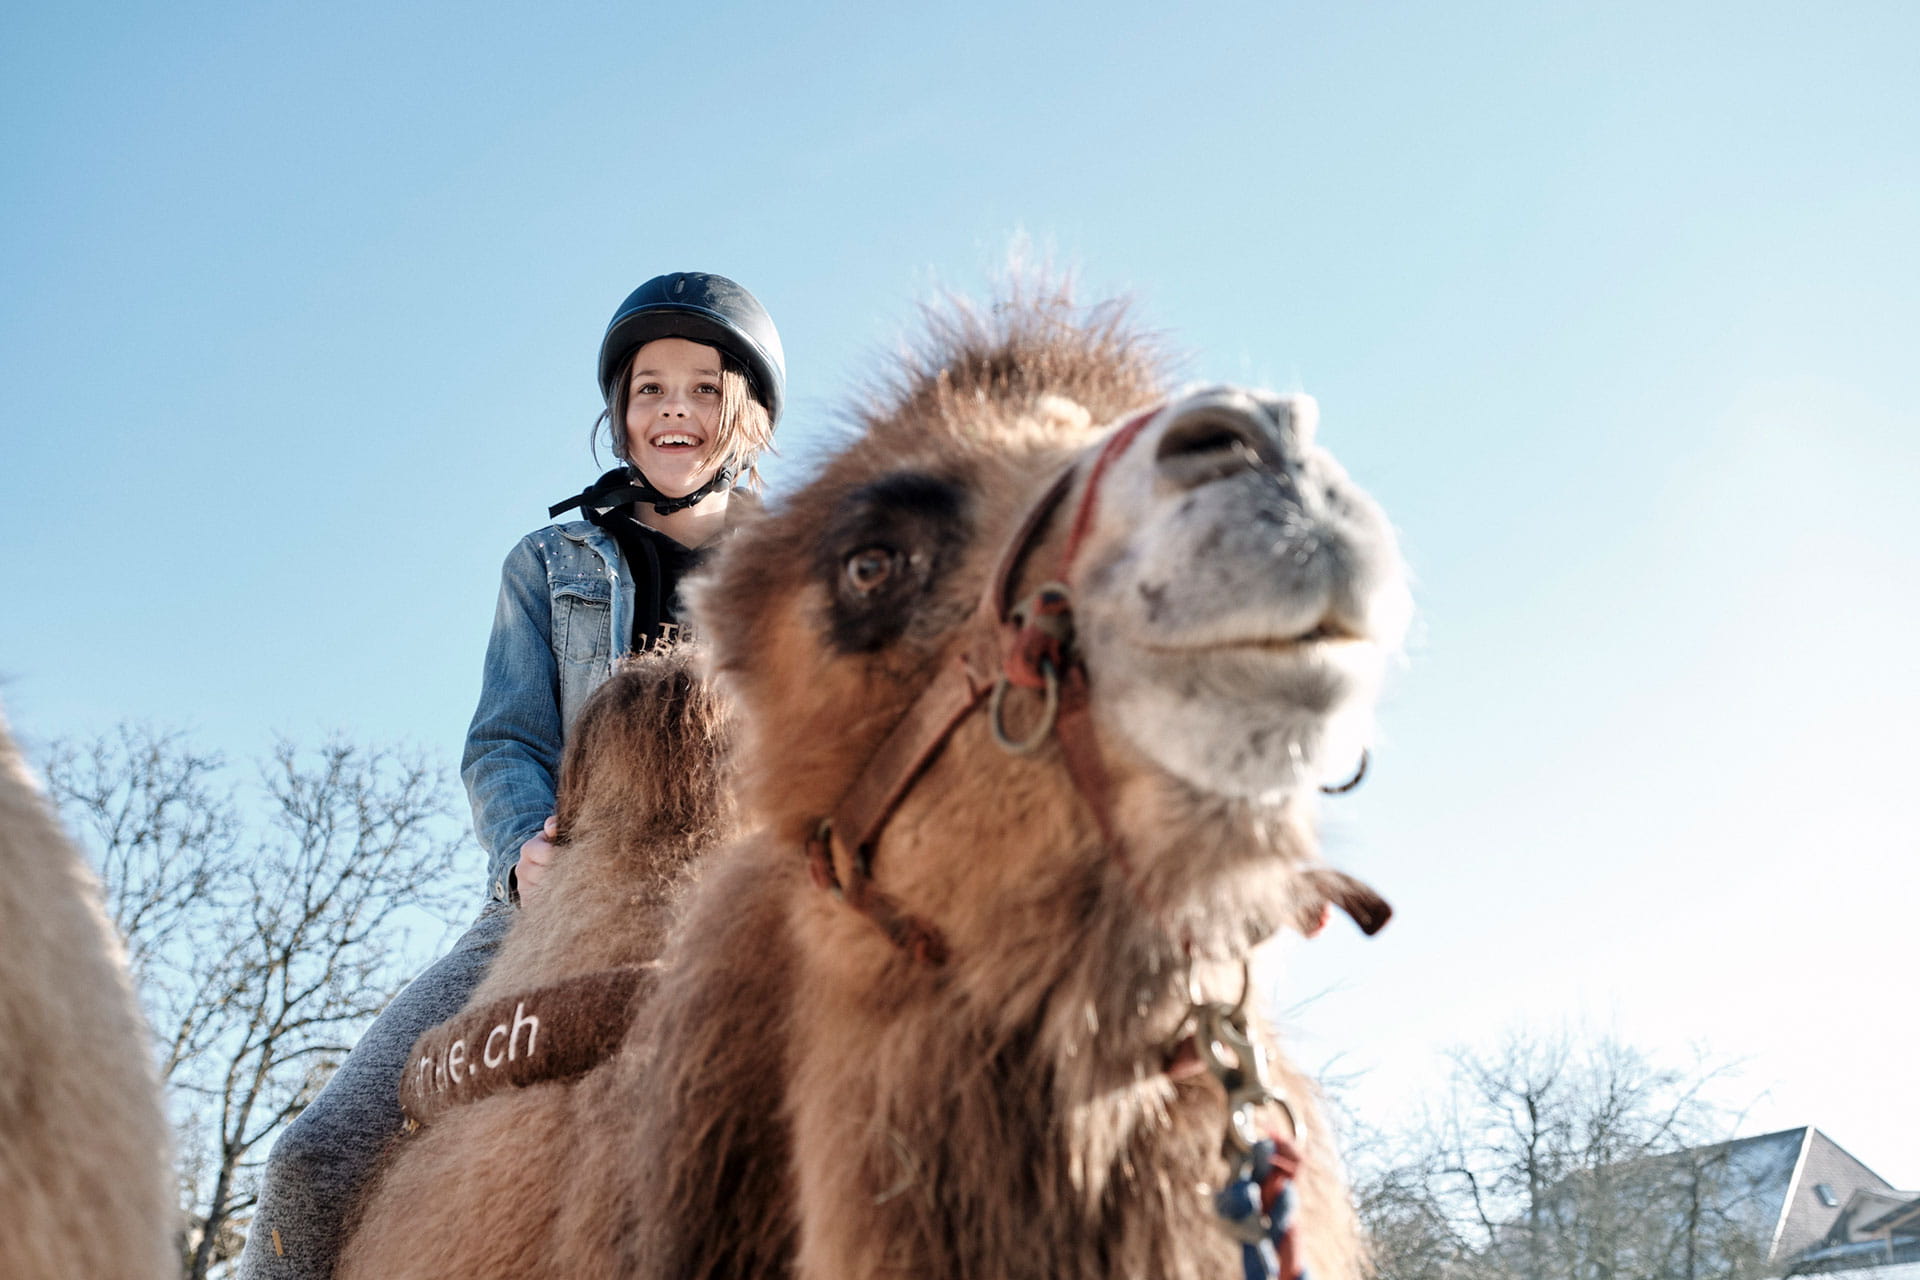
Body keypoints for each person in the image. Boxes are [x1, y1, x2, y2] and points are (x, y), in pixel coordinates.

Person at [237, 272, 784, 1279]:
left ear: (744, 411)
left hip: (746, 903)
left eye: (704, 389)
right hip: (554, 900)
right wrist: (525, 851)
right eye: (650, 389)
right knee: (313, 1163)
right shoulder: (549, 563)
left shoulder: (801, 578)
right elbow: (503, 741)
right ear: (620, 411)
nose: (674, 409)